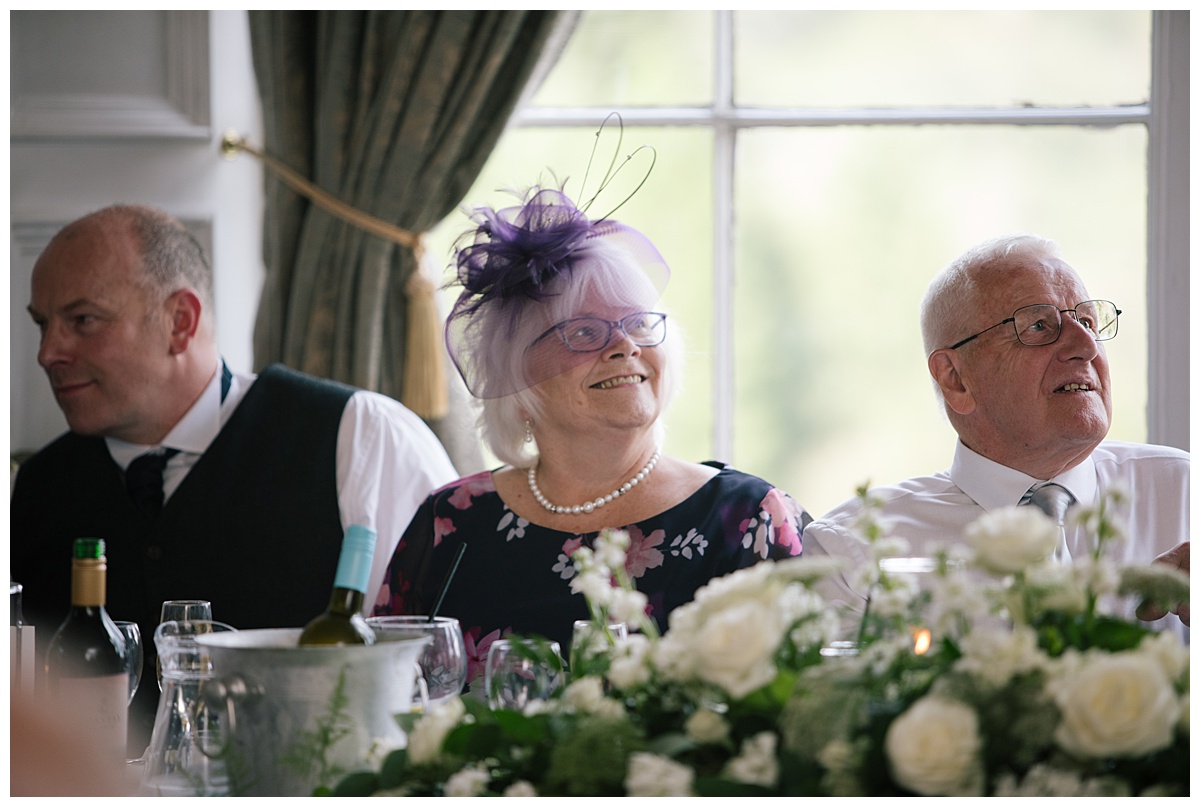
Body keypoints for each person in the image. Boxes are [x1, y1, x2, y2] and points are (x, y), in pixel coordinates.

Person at [10, 204, 459, 754]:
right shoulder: (37, 487)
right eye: (42, 324)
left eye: (83, 320)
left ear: (180, 321)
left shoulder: (361, 438)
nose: (48, 352)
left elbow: (433, 676)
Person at [373, 185, 808, 687]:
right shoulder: (450, 521)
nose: (625, 345)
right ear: (517, 377)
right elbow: (380, 701)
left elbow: (800, 711)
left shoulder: (749, 519)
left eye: (638, 323)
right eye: (583, 331)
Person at [803, 234, 1189, 634]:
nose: (1086, 345)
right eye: (1038, 325)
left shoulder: (1184, 494)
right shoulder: (851, 556)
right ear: (955, 379)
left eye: (1088, 322)